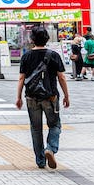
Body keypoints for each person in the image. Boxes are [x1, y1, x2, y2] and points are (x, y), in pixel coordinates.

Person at [15, 26, 70, 169]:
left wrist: (19, 97)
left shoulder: (26, 56)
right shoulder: (54, 55)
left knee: (35, 128)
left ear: (32, 40)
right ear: (47, 39)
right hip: (50, 96)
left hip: (31, 96)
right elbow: (61, 77)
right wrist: (66, 95)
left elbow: (21, 78)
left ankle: (40, 160)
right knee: (55, 125)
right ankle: (50, 148)